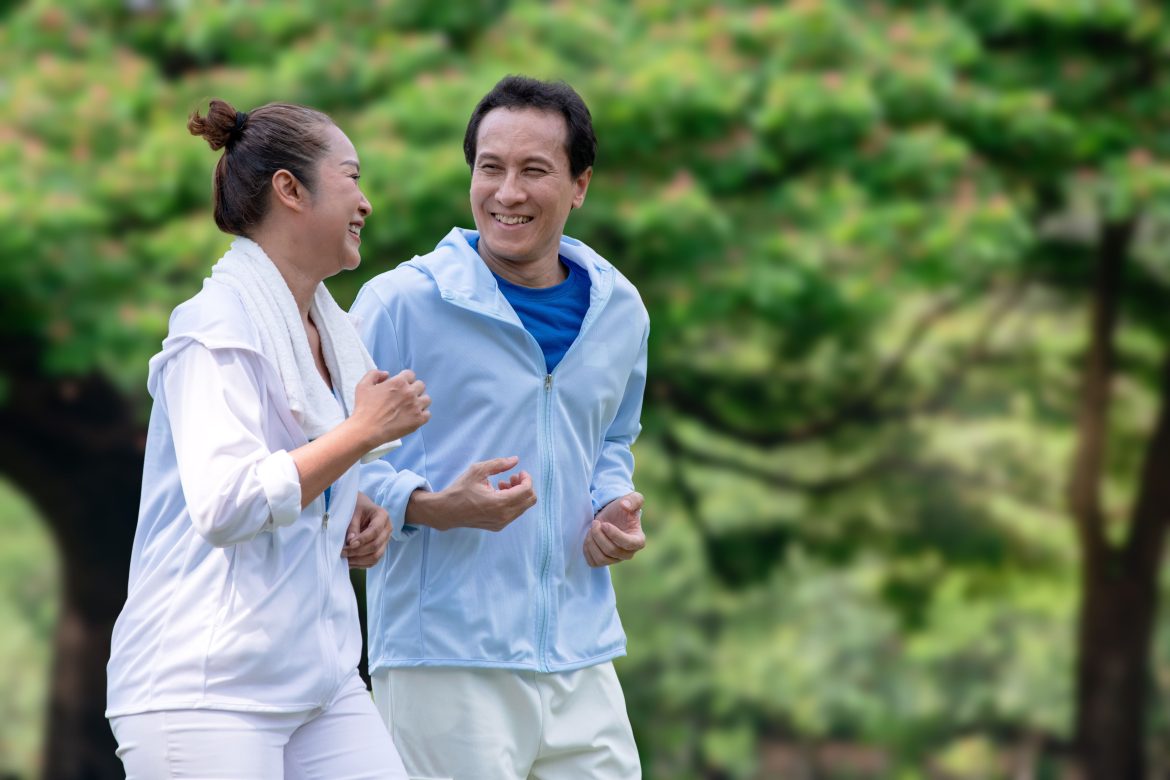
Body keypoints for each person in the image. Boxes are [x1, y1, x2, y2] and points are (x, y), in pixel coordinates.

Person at [105, 99, 430, 779]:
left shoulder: (329, 332)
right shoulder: (214, 328)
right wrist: (361, 432)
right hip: (204, 690)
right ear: (290, 189)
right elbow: (226, 504)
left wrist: (353, 497)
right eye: (352, 178)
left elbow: (306, 467)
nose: (366, 202)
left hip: (322, 680)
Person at [352, 75, 648, 779]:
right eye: (491, 168)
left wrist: (611, 504)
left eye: (534, 171)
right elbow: (330, 457)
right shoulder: (400, 303)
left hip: (582, 654)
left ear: (579, 185)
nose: (507, 192)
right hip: (443, 661)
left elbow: (611, 440)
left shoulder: (622, 310)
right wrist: (429, 505)